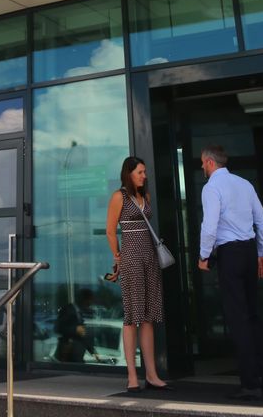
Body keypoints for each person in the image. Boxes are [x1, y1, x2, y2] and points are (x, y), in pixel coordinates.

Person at [198, 146, 263, 400]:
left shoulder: (211, 187)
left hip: (230, 254)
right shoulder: (245, 184)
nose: (202, 167)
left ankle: (250, 384)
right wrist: (261, 252)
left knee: (238, 318)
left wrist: (204, 255)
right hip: (249, 250)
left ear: (211, 163)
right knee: (253, 315)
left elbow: (210, 226)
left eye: (203, 163)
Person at [106, 155, 170, 393]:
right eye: (140, 172)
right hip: (131, 258)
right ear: (129, 173)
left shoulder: (146, 196)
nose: (144, 176)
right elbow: (110, 231)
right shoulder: (119, 196)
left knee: (148, 317)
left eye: (144, 172)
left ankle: (152, 375)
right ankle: (132, 376)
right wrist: (118, 257)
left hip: (150, 257)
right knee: (132, 316)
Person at [55, 288, 98, 363]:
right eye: (90, 300)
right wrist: (75, 329)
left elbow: (82, 336)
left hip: (77, 359)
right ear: (84, 300)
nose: (91, 303)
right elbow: (58, 328)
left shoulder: (78, 312)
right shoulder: (68, 309)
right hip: (69, 359)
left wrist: (93, 352)